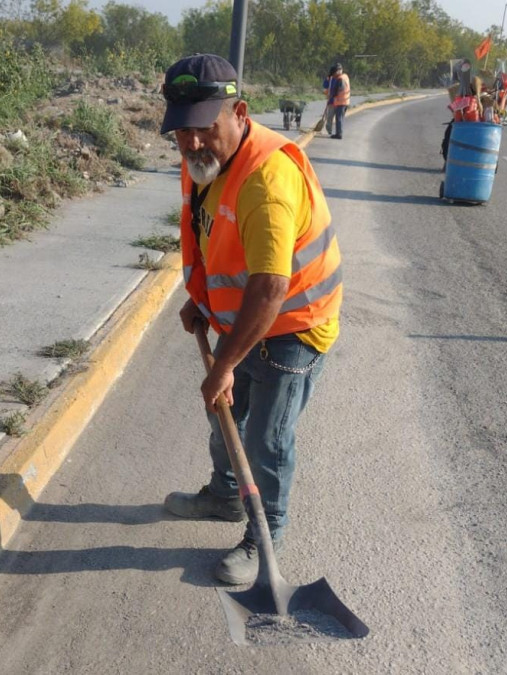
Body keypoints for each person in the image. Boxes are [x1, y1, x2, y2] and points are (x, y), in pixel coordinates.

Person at [159, 54, 343, 585]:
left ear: (239, 112)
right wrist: (204, 302)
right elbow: (214, 234)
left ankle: (268, 536)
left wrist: (224, 364)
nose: (191, 143)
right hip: (244, 318)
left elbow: (270, 287)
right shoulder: (204, 163)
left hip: (294, 326)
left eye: (203, 128)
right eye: (181, 132)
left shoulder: (267, 182)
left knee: (265, 437)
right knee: (226, 421)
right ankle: (224, 498)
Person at [326, 63, 350, 139]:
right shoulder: (345, 76)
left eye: (333, 74)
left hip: (341, 102)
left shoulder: (340, 79)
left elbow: (337, 90)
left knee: (338, 119)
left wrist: (331, 96)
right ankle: (339, 133)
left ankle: (339, 134)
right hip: (345, 101)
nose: (333, 76)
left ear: (337, 72)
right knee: (340, 118)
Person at [322, 65, 337, 136]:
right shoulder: (329, 79)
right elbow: (325, 87)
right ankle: (329, 131)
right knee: (330, 117)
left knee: (333, 117)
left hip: (338, 102)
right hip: (332, 101)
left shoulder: (340, 78)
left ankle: (335, 132)